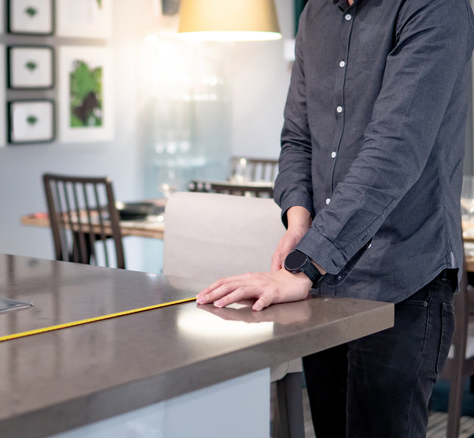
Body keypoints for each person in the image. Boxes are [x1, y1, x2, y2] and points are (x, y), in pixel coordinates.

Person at [195, 0, 474, 436]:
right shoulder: (314, 15)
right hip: (328, 284)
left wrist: (308, 263)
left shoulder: (436, 8)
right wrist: (299, 222)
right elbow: (298, 138)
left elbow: (394, 150)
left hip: (403, 279)